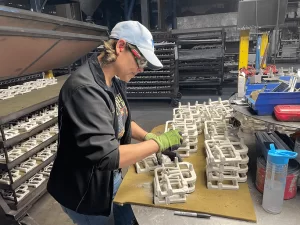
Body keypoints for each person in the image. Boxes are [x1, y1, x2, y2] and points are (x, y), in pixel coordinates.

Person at [47, 21, 183, 225]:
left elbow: (121, 118)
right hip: (85, 191)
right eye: (140, 61)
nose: (141, 70)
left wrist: (147, 137)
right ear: (120, 47)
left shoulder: (114, 80)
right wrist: (159, 143)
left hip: (109, 180)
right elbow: (107, 156)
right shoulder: (85, 90)